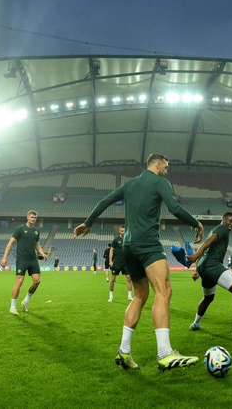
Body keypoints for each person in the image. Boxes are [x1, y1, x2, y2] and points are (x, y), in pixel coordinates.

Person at [74, 153, 204, 371]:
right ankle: (164, 353)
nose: (167, 170)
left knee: (140, 295)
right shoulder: (160, 181)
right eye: (166, 166)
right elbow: (174, 207)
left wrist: (88, 223)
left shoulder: (130, 184)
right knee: (164, 291)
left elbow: (105, 201)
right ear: (158, 164)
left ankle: (124, 351)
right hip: (148, 244)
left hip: (129, 246)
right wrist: (196, 223)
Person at [187, 212, 232, 345]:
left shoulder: (216, 229)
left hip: (204, 267)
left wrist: (198, 269)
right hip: (212, 265)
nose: (231, 224)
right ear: (223, 219)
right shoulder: (222, 229)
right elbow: (207, 243)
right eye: (230, 220)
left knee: (208, 297)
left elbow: (208, 247)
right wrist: (196, 254)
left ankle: (196, 324)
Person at [1, 210, 47, 314]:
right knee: (20, 281)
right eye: (32, 217)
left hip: (32, 259)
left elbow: (37, 244)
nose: (33, 219)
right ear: (27, 217)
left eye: (35, 218)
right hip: (22, 259)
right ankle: (12, 307)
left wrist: (42, 253)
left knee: (37, 281)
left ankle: (26, 301)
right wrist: (4, 257)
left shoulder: (36, 231)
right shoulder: (20, 229)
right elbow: (10, 243)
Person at [108, 226, 133, 303]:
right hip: (117, 262)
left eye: (124, 231)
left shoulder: (128, 240)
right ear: (119, 231)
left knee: (129, 278)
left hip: (126, 262)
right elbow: (112, 250)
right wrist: (110, 261)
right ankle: (111, 296)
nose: (123, 232)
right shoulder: (116, 240)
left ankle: (129, 296)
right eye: (122, 231)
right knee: (113, 279)